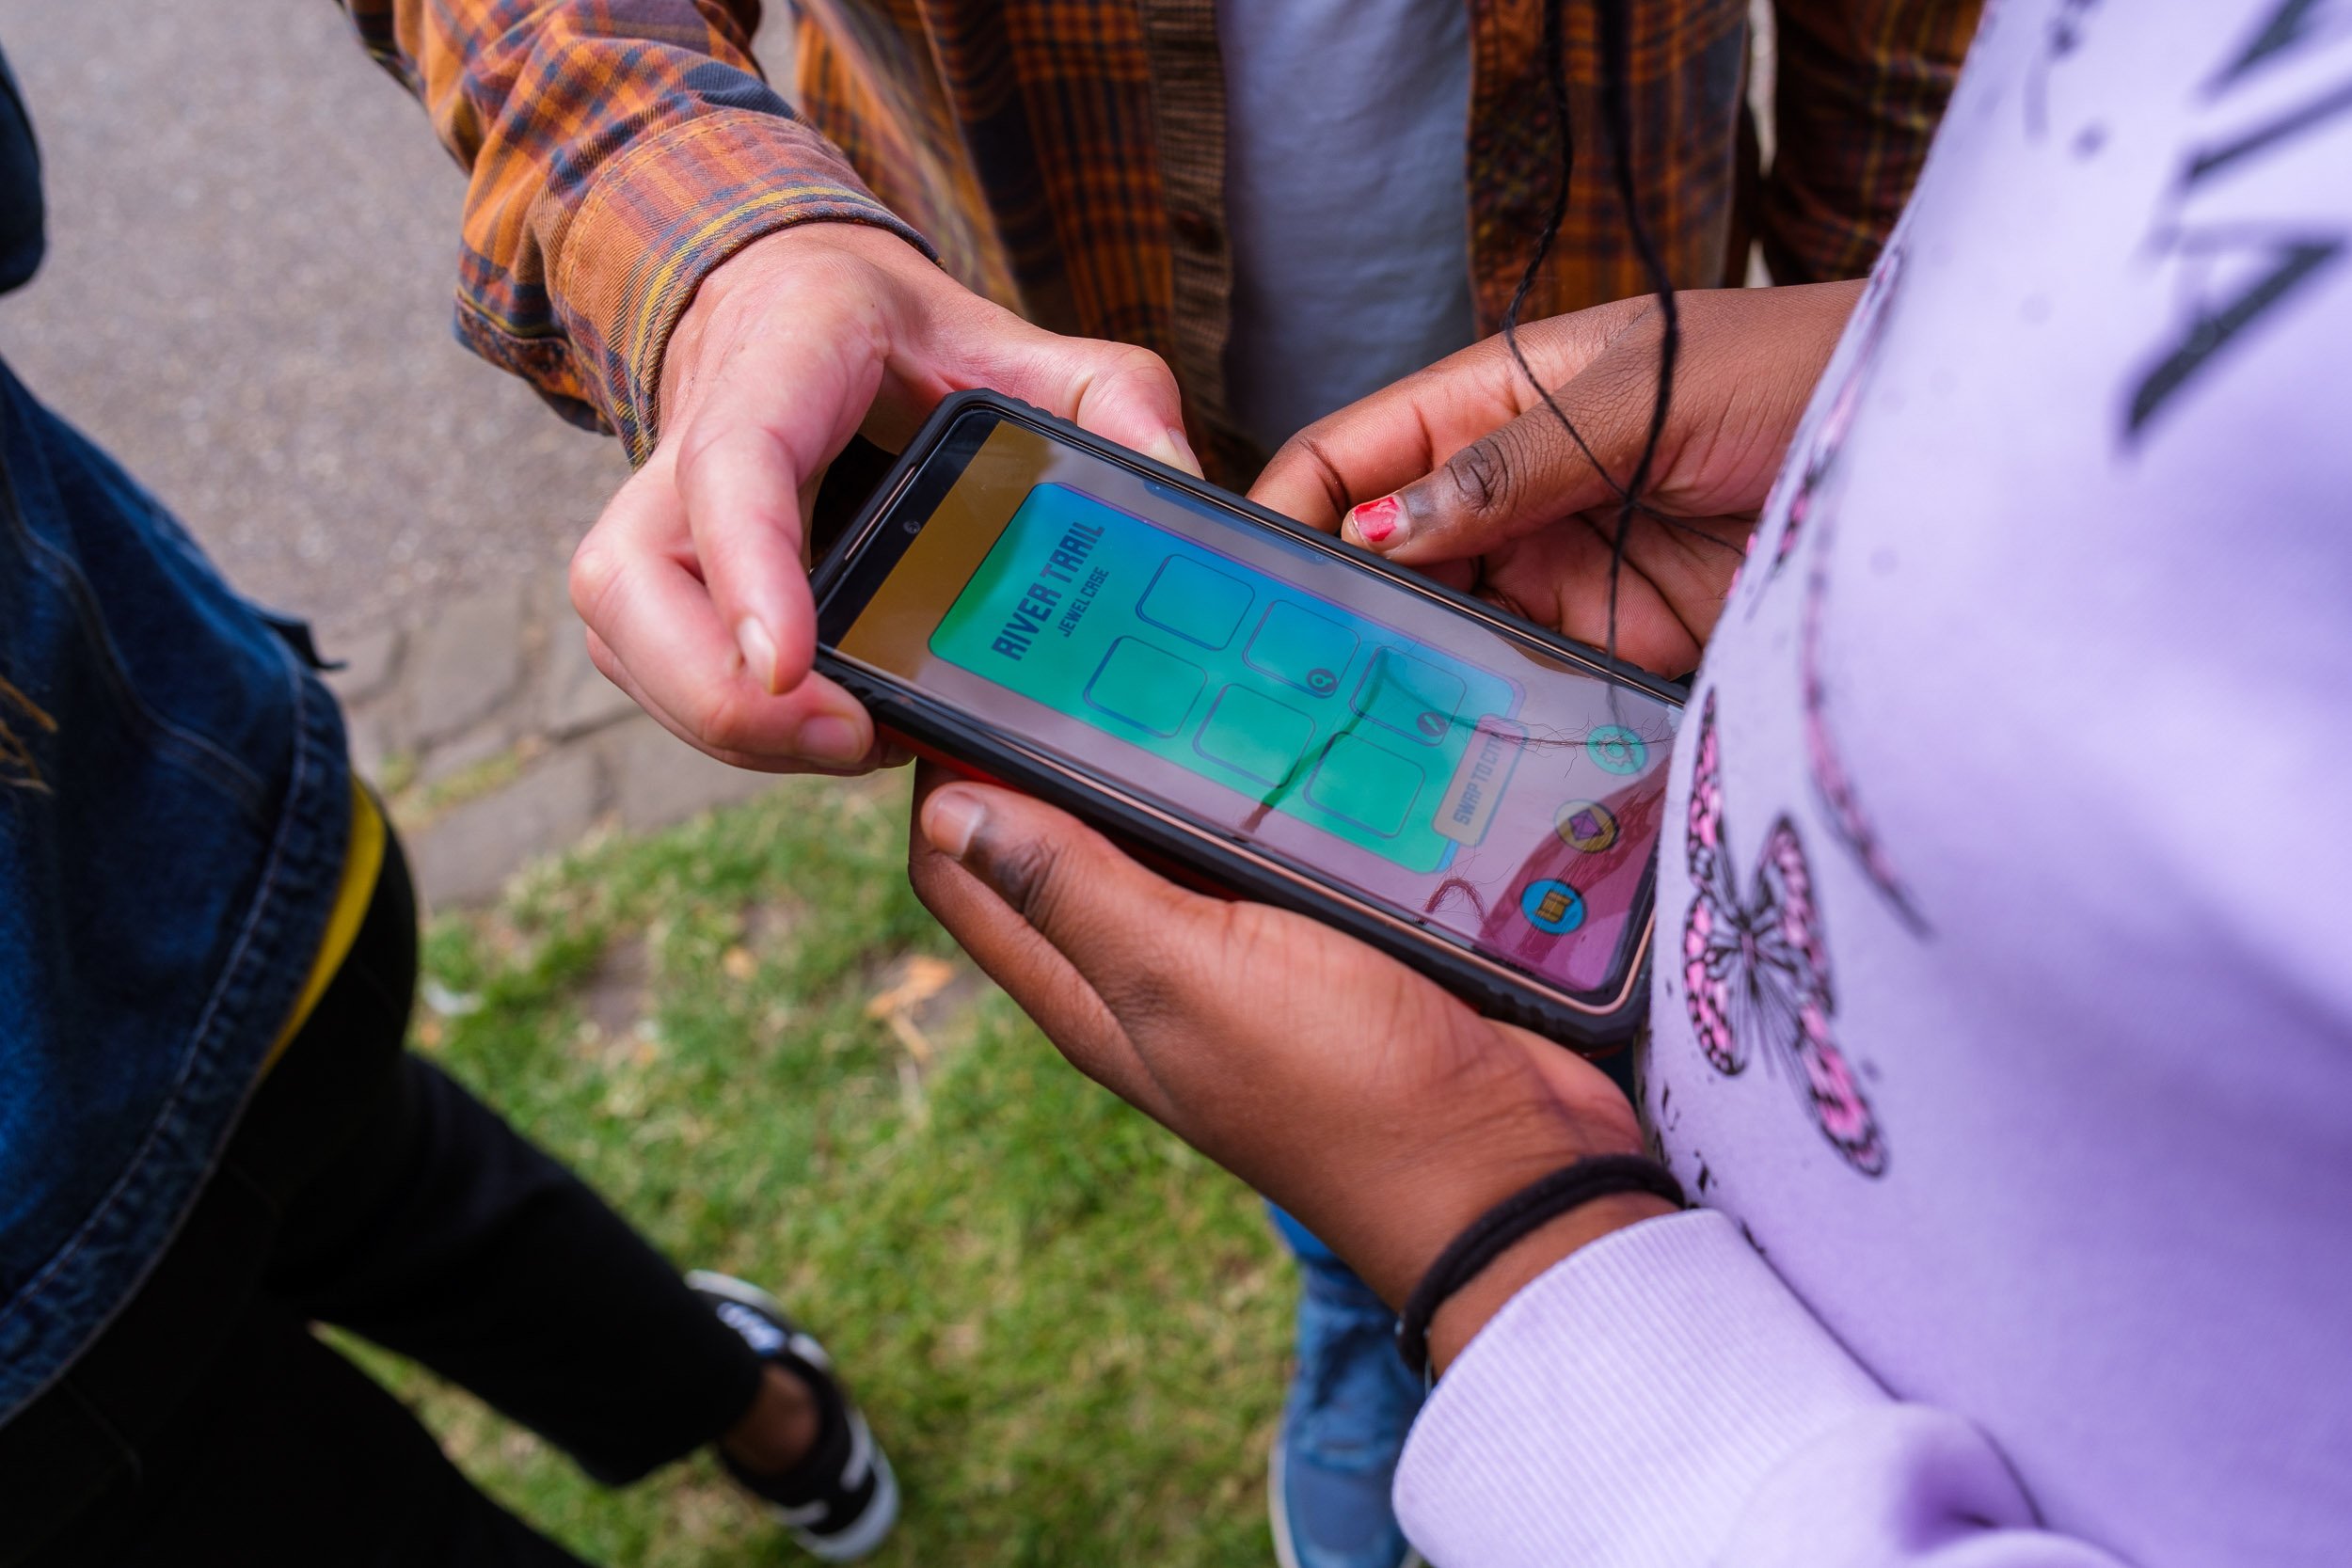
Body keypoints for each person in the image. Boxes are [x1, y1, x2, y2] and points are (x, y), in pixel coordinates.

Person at [478, 0, 1980, 1556]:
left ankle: (1458, 1268)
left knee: (1637, 963)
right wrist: (728, 244)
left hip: (1617, 418)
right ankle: (1360, 1282)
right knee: (1293, 974)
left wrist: (1877, 360)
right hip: (1033, 389)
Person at [902, 0, 2352, 1562]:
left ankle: (1394, 1296)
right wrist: (1882, 365)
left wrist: (1513, 1253)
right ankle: (1355, 1290)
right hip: (1671, 778)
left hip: (1772, 1368)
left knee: (1337, 1008)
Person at [0, 24, 901, 1568]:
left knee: (301, 1485)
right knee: (428, 1199)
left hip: (139, 966)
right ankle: (768, 1413)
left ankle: (748, 1402)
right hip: (173, 835)